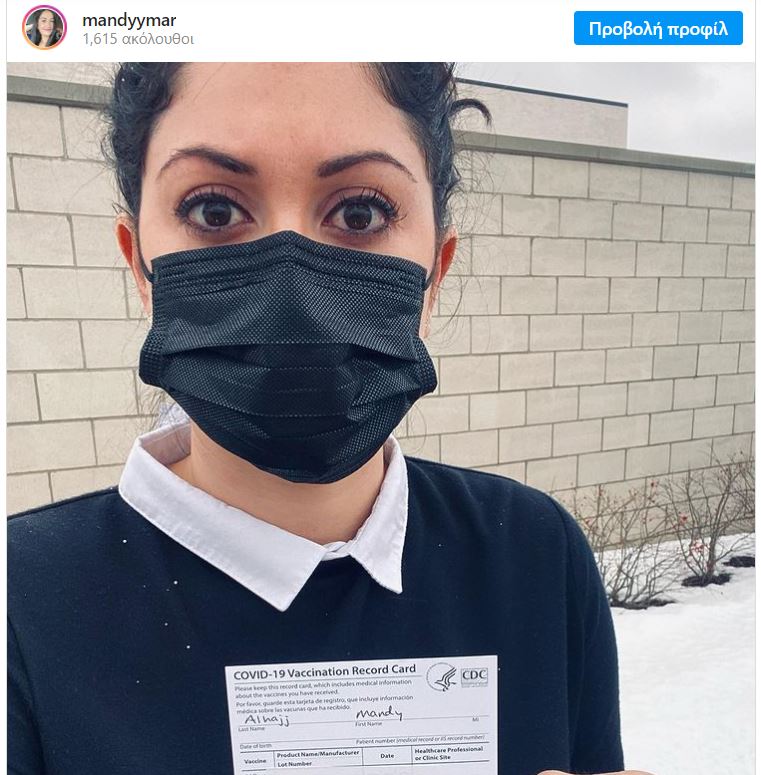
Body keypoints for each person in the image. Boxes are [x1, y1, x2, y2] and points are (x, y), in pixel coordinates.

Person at [8, 63, 650, 775]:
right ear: (140, 267)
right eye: (213, 209)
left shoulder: (532, 553)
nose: (293, 289)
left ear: (435, 272)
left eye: (360, 213)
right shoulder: (22, 601)